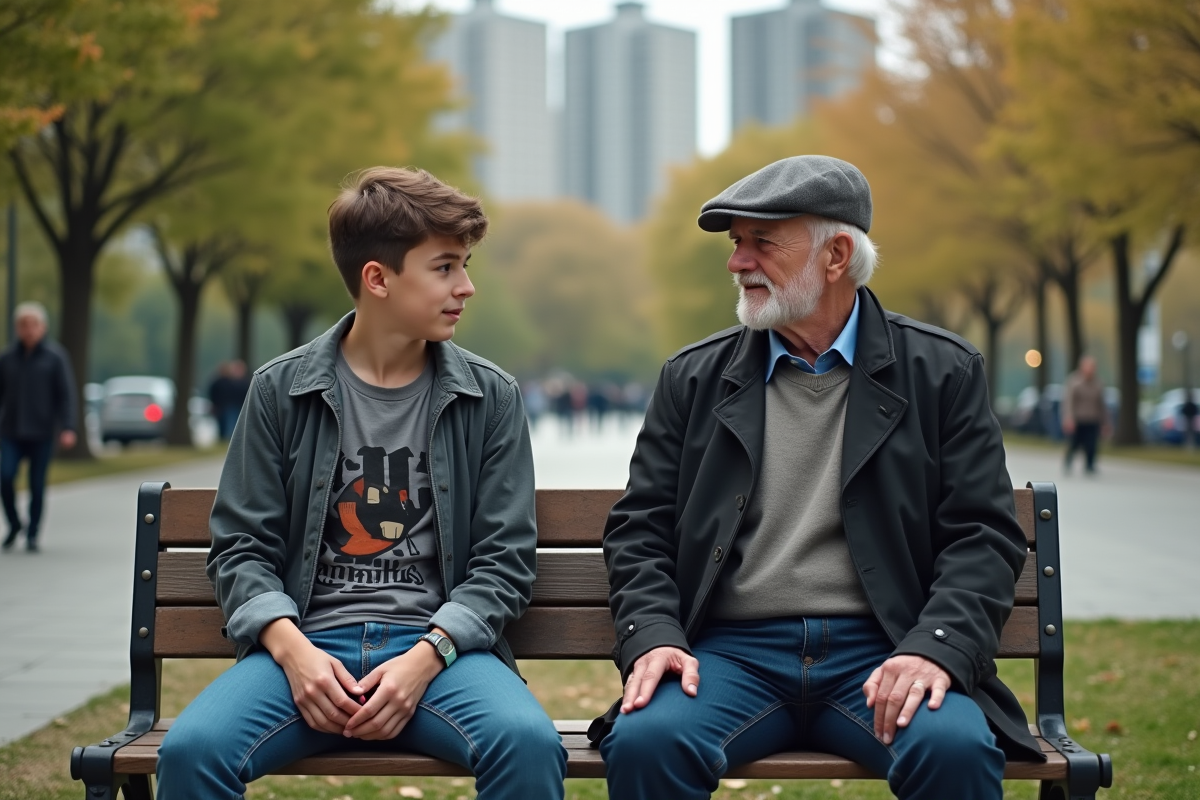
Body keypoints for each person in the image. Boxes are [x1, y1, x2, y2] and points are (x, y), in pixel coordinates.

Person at [591, 156, 1041, 800]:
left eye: (762, 243)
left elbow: (983, 536)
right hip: (730, 655)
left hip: (884, 647)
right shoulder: (692, 377)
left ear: (836, 255)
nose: (737, 262)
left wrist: (935, 649)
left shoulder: (942, 371)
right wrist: (654, 637)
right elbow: (640, 531)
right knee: (647, 741)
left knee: (955, 749)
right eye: (735, 243)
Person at [156, 167, 567, 799]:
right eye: (445, 267)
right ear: (377, 278)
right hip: (305, 645)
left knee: (528, 744)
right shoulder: (279, 390)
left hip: (441, 653)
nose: (467, 286)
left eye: (464, 266)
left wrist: (426, 658)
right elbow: (240, 549)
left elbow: (504, 562)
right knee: (192, 752)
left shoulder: (490, 397)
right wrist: (294, 653)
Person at [0, 302, 77, 553]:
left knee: (37, 484)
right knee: (6, 476)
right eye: (23, 325)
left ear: (43, 328)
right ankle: (14, 523)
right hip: (11, 431)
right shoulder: (7, 359)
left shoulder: (55, 358)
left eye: (33, 325)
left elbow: (66, 395)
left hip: (42, 431)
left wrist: (67, 427)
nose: (28, 330)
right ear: (17, 329)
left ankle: (32, 534)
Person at [1062, 355, 1108, 474]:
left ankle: (1090, 465)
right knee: (1074, 443)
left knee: (1092, 444)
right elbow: (1069, 402)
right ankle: (1068, 461)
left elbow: (1102, 404)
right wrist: (1069, 418)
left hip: (1093, 418)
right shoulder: (1074, 381)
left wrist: (1105, 422)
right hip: (1078, 418)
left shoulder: (1098, 383)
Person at [208, 359, 251, 440]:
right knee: (225, 424)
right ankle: (226, 438)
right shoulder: (225, 382)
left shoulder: (243, 382)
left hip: (236, 406)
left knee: (231, 423)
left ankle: (228, 438)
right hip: (225, 406)